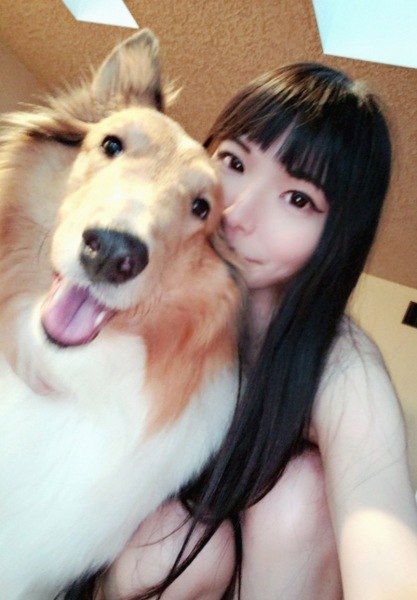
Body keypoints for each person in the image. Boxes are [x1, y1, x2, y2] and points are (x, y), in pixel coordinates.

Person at [92, 63, 417, 600]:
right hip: (134, 564)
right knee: (176, 543)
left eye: (298, 199)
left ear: (336, 239)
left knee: (301, 493)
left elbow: (382, 526)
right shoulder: (140, 266)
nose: (237, 212)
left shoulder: (341, 366)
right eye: (234, 162)